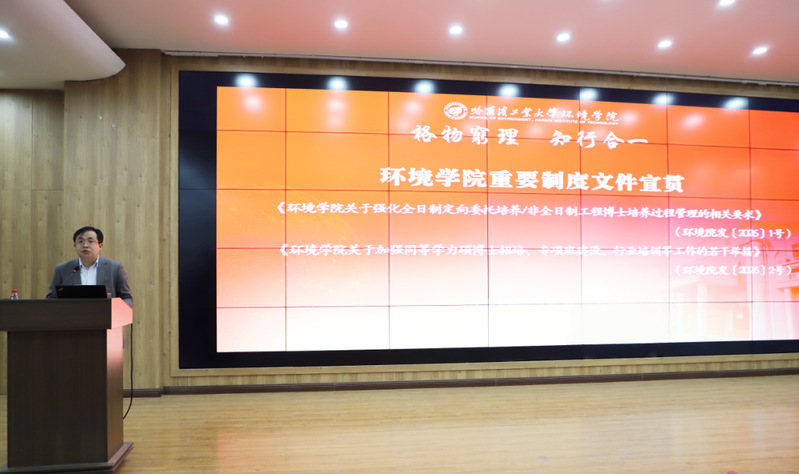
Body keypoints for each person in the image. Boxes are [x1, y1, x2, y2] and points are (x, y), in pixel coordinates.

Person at [46, 226, 133, 306]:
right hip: (73, 317)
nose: (85, 245)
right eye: (80, 241)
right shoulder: (62, 269)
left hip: (104, 316)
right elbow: (51, 299)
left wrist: (113, 308)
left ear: (100, 246)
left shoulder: (115, 268)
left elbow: (127, 298)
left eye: (90, 241)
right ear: (75, 246)